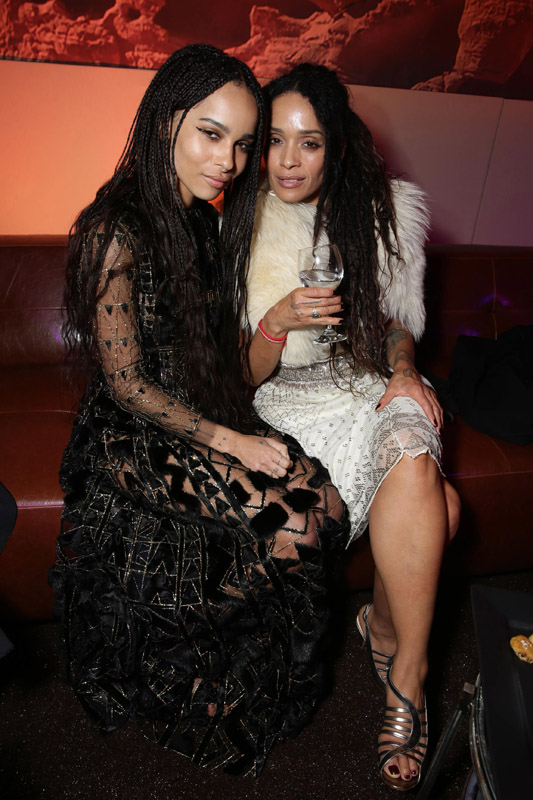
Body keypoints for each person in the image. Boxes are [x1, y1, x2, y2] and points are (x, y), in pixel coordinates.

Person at [51, 45, 348, 778]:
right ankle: (206, 670)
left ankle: (256, 665)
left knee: (326, 501)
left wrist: (270, 333)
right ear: (166, 123)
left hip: (196, 409)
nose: (230, 162)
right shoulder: (113, 230)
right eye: (211, 135)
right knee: (295, 527)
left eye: (242, 144)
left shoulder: (203, 226)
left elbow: (214, 360)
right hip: (131, 432)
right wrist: (230, 442)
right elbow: (128, 385)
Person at [244, 63, 461, 791]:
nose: (288, 161)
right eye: (275, 141)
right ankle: (385, 628)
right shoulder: (238, 223)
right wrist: (277, 320)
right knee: (443, 510)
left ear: (334, 147)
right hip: (287, 404)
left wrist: (403, 370)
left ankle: (408, 683)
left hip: (368, 385)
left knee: (412, 438)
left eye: (308, 143)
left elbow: (398, 324)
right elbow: (240, 376)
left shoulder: (381, 213)